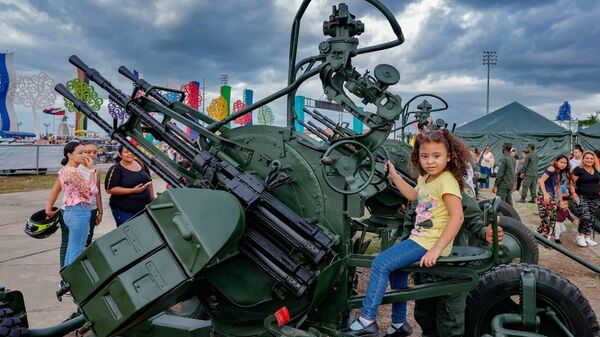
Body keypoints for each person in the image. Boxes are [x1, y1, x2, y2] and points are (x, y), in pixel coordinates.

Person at [346, 130, 468, 336]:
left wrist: (437, 249)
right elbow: (413, 195)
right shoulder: (426, 178)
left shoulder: (446, 181)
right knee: (397, 271)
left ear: (448, 157)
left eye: (436, 156)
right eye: (424, 156)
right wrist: (394, 175)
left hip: (430, 242)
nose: (430, 161)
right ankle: (399, 324)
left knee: (380, 263)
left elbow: (458, 217)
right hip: (420, 238)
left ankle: (367, 319)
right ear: (417, 157)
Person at [412, 191, 504, 337]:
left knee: (451, 324)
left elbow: (473, 218)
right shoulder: (421, 190)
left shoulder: (455, 189)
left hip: (453, 271)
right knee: (425, 317)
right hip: (425, 270)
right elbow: (409, 223)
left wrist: (484, 232)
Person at [45, 142, 98, 267]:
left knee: (72, 248)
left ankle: (66, 279)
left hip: (71, 211)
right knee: (77, 249)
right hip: (78, 212)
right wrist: (91, 170)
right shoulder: (73, 172)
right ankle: (70, 282)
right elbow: (91, 192)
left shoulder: (64, 170)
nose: (84, 155)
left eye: (85, 152)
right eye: (80, 153)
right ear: (70, 155)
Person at [105, 145, 154, 227]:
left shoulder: (140, 163)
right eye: (126, 152)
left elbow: (149, 181)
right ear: (120, 154)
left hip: (144, 209)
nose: (130, 153)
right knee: (128, 233)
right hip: (124, 210)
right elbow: (109, 189)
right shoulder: (116, 169)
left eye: (132, 151)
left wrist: (152, 199)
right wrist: (133, 190)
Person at [570, 150, 600, 247]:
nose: (589, 160)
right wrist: (574, 194)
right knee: (585, 216)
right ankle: (580, 235)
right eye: (587, 158)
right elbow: (571, 183)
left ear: (594, 160)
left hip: (595, 197)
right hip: (582, 196)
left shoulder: (597, 170)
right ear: (583, 159)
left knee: (590, 218)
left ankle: (587, 237)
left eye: (591, 158)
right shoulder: (578, 170)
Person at [536, 155, 569, 239]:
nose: (563, 164)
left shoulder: (560, 173)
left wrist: (561, 200)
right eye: (561, 162)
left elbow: (557, 187)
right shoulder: (552, 169)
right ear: (556, 162)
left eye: (565, 163)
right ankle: (545, 235)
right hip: (544, 194)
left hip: (551, 194)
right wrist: (545, 194)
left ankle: (540, 232)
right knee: (547, 215)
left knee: (553, 215)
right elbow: (541, 180)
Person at [81, 142, 103, 245]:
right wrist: (91, 170)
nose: (92, 155)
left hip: (92, 208)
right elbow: (88, 191)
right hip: (80, 209)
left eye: (94, 152)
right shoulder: (77, 169)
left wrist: (100, 211)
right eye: (88, 152)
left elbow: (97, 191)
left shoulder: (96, 170)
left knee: (89, 238)